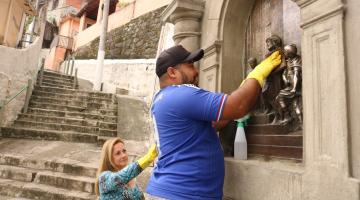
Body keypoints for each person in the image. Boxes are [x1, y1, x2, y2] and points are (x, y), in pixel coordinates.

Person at [146, 45, 281, 199]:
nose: (196, 71)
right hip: (181, 194)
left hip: (171, 191)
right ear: (172, 72)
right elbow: (239, 106)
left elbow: (212, 123)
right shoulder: (181, 94)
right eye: (190, 65)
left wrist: (231, 107)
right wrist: (257, 75)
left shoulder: (162, 99)